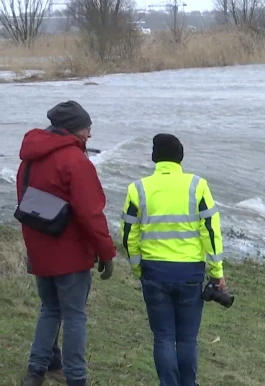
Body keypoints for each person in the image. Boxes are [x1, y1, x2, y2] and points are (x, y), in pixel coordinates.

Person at [17, 101, 117, 386]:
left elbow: (26, 200)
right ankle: (76, 377)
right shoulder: (75, 161)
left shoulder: (29, 157)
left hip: (39, 247)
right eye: (87, 128)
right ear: (74, 130)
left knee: (49, 309)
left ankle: (35, 372)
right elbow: (91, 213)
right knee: (74, 316)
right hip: (69, 251)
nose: (90, 134)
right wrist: (106, 253)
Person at [121, 133, 225, 386]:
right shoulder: (197, 185)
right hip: (189, 272)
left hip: (154, 271)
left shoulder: (137, 188)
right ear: (180, 158)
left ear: (155, 158)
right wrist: (216, 272)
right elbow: (210, 232)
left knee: (164, 337)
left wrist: (138, 268)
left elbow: (129, 236)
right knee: (187, 339)